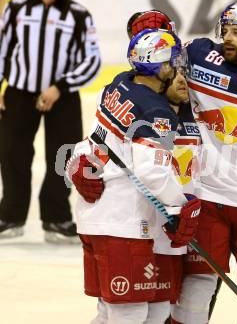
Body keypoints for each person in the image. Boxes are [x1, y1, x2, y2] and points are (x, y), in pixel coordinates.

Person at [71, 3, 237, 324]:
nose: (228, 38)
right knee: (193, 294)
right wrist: (85, 154)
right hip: (203, 201)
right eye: (226, 30)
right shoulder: (198, 54)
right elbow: (137, 82)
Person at [65, 28, 201, 323]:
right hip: (123, 222)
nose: (178, 69)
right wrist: (180, 207)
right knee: (131, 312)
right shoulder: (157, 111)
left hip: (96, 217)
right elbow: (152, 171)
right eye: (173, 63)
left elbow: (97, 143)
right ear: (161, 66)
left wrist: (76, 162)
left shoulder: (119, 85)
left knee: (149, 310)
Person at [0, 0, 101, 243]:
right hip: (19, 93)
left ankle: (56, 218)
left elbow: (92, 60)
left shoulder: (78, 15)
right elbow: (1, 50)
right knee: (11, 152)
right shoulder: (17, 7)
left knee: (64, 156)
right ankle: (10, 215)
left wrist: (60, 87)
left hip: (63, 97)